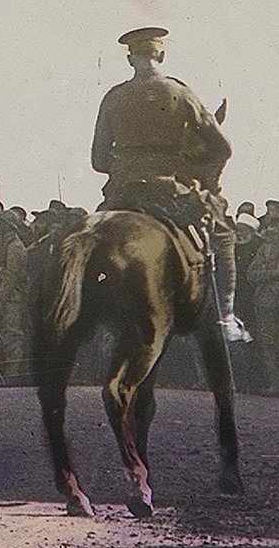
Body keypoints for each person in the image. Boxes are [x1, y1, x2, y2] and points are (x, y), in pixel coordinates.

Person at [91, 25, 249, 340]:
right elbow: (222, 148)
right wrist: (200, 174)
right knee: (223, 237)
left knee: (95, 242)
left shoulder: (113, 97)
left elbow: (98, 160)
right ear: (161, 54)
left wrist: (126, 165)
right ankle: (227, 318)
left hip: (123, 191)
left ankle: (93, 315)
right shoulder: (181, 93)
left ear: (130, 59)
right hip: (172, 189)